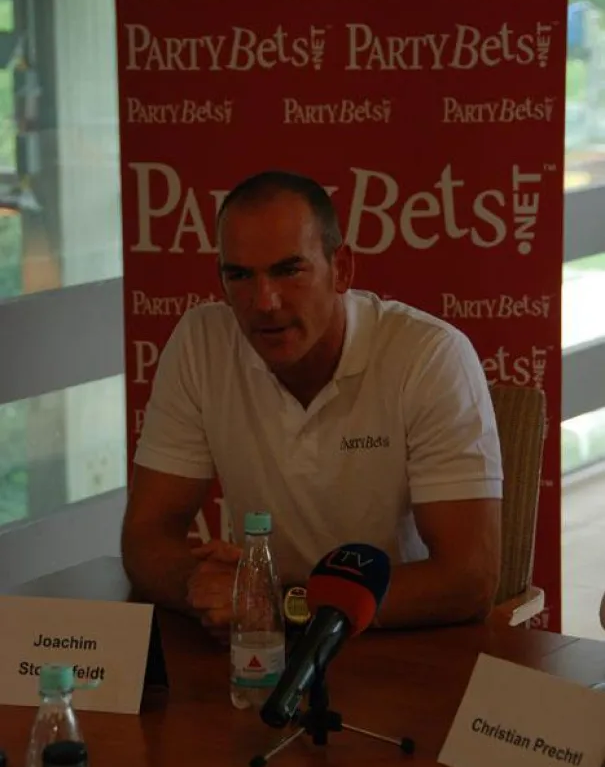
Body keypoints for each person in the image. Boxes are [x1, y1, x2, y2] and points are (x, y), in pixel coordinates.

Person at [121, 170, 503, 638]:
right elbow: (145, 537)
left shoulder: (428, 356)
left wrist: (277, 601)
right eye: (239, 275)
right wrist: (204, 587)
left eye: (288, 270)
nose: (265, 301)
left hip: (401, 643)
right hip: (259, 654)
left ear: (341, 269)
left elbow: (468, 578)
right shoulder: (202, 342)